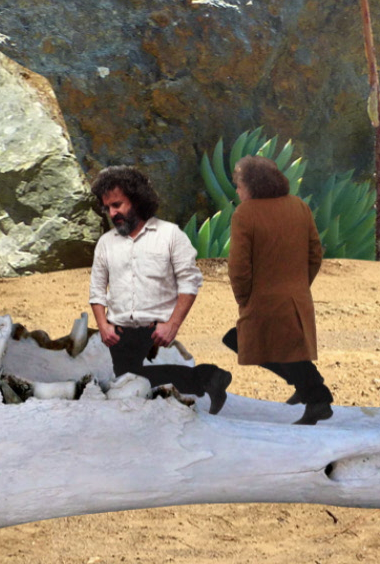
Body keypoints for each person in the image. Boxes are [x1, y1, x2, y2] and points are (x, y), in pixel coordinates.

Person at [88, 165, 233, 412]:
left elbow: (190, 281)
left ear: (136, 200)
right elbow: (97, 289)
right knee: (128, 380)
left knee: (132, 383)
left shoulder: (170, 235)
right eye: (107, 207)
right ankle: (209, 377)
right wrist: (103, 325)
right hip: (119, 330)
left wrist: (172, 324)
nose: (112, 213)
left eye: (117, 205)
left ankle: (206, 379)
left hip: (154, 327)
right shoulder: (106, 243)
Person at [220, 155, 334, 425]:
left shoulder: (245, 213)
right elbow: (315, 253)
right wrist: (299, 285)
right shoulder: (299, 206)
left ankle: (317, 398)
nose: (238, 192)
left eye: (240, 186)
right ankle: (307, 386)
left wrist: (244, 298)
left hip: (263, 300)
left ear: (252, 186)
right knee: (284, 349)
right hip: (296, 297)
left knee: (252, 344)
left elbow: (239, 265)